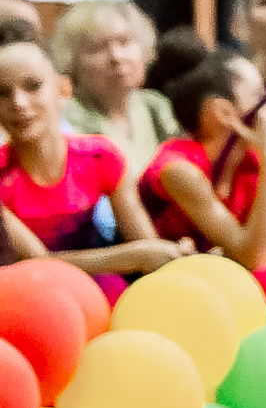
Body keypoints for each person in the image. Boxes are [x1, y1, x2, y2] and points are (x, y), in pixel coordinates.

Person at [0, 22, 192, 288]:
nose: (19, 103)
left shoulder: (100, 157)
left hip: (100, 284)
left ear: (63, 91)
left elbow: (146, 244)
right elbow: (36, 263)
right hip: (30, 292)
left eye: (33, 86)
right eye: (2, 93)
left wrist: (175, 254)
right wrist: (134, 256)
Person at [140, 49, 266, 271]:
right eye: (260, 95)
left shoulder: (250, 163)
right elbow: (255, 260)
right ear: (224, 112)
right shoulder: (179, 168)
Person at [52, 0, 180, 173]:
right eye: (97, 48)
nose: (116, 57)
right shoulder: (67, 120)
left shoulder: (154, 105)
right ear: (72, 63)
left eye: (124, 42)